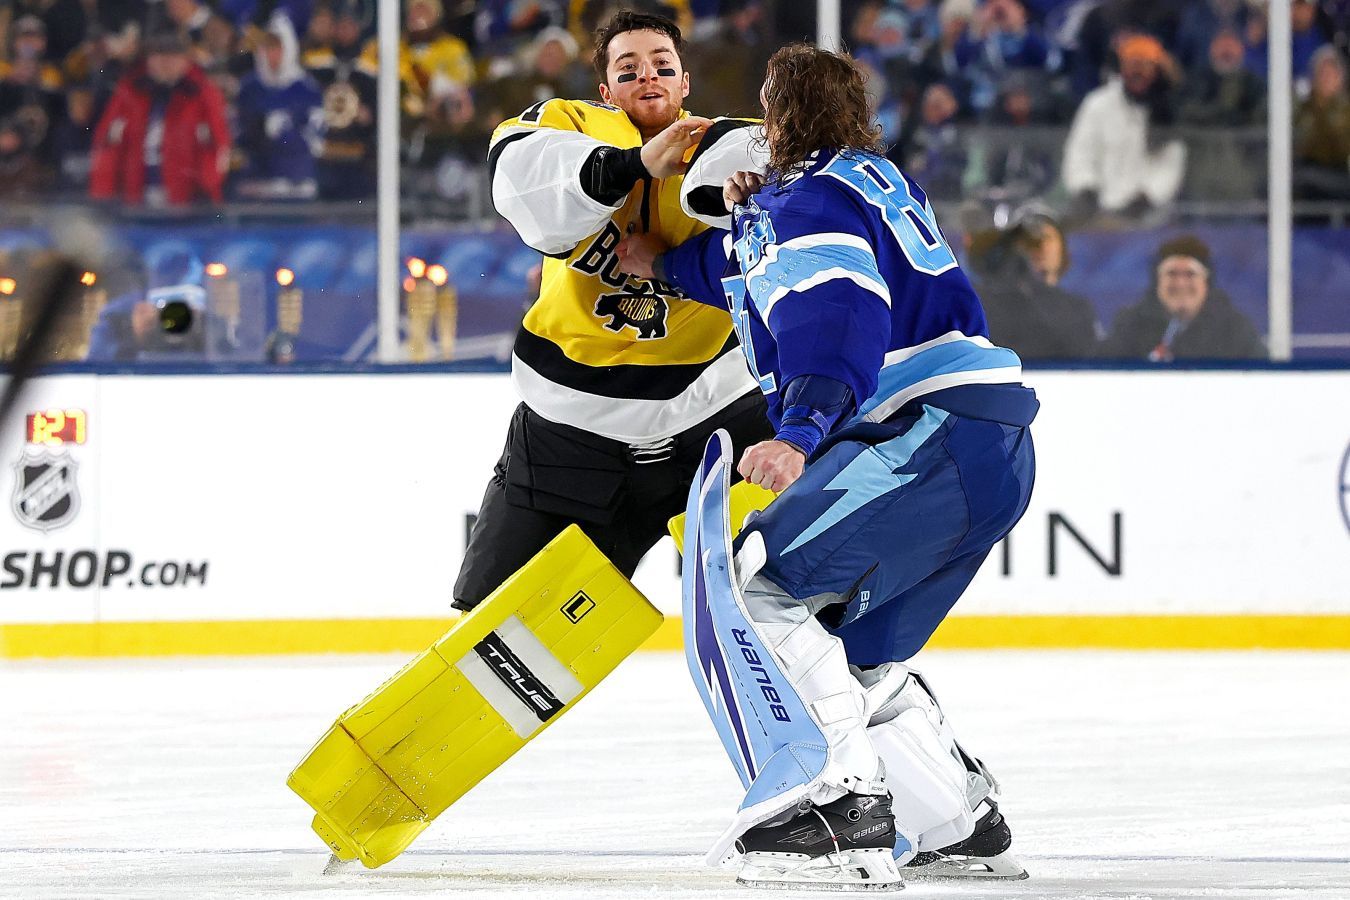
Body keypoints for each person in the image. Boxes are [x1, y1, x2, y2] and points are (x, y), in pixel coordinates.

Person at [617, 43, 1036, 890]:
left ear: (779, 116)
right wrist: (662, 263)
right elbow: (761, 264)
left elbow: (836, 310)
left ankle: (829, 810)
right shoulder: (865, 181)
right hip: (991, 442)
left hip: (923, 434)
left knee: (756, 581)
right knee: (853, 651)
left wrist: (800, 433)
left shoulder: (805, 200)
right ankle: (953, 821)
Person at [453, 11, 772, 611]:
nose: (647, 76)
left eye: (663, 66)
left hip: (715, 423)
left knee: (791, 590)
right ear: (604, 92)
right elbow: (523, 181)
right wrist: (634, 167)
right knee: (497, 624)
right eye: (628, 70)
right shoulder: (568, 128)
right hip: (571, 434)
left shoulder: (738, 147)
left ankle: (857, 685)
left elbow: (790, 199)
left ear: (685, 86)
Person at [89, 30, 231, 206]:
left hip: (188, 203)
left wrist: (207, 190)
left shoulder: (203, 94)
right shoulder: (129, 93)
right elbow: (107, 146)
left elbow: (217, 146)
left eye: (172, 56)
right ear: (148, 60)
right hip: (135, 200)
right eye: (158, 56)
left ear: (185, 60)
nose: (165, 62)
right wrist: (103, 195)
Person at [1061, 33, 1185, 221]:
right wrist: (1085, 190)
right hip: (1096, 212)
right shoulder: (1098, 104)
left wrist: (1145, 199)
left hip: (1148, 217)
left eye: (1145, 65)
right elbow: (1079, 153)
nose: (1138, 72)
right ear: (1122, 67)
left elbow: (1170, 166)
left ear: (1156, 71)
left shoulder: (1168, 114)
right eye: (1133, 64)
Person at [1101, 234, 1264, 361]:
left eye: (1190, 274)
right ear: (1157, 281)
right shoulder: (1130, 324)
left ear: (1207, 282)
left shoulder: (1235, 328)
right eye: (1171, 273)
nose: (1180, 283)